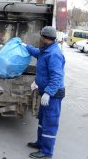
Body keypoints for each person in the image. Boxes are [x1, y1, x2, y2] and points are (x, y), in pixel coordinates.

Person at [22, 26, 65, 159]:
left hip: (53, 95)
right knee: (42, 120)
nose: (40, 38)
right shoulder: (47, 50)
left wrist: (48, 93)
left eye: (41, 36)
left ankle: (46, 152)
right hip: (45, 92)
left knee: (50, 123)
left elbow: (57, 76)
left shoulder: (54, 54)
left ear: (45, 38)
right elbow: (37, 53)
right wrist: (25, 46)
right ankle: (40, 143)